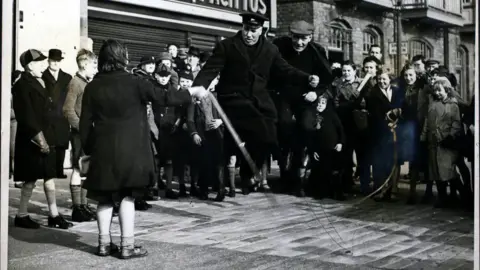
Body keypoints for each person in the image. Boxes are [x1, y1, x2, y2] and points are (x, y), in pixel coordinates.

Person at [79, 39, 208, 258]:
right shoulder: (136, 82)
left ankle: (103, 244)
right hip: (132, 152)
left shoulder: (92, 87)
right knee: (128, 196)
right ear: (123, 58)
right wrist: (191, 92)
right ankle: (127, 246)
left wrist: (90, 148)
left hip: (103, 151)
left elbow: (84, 124)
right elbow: (165, 97)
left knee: (104, 198)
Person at [193, 12, 319, 195]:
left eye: (253, 30)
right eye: (246, 29)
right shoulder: (227, 46)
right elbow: (209, 70)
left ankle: (248, 172)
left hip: (259, 100)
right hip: (233, 99)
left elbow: (285, 69)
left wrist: (307, 78)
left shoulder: (270, 50)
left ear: (262, 30)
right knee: (236, 138)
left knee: (268, 136)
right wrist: (197, 88)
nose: (248, 34)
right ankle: (238, 175)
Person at [13, 49, 73, 229]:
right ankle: (21, 215)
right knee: (30, 179)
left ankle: (54, 215)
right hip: (32, 139)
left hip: (44, 136)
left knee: (49, 175)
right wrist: (41, 141)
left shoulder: (38, 81)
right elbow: (28, 117)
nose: (43, 66)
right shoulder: (22, 85)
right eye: (39, 63)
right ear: (30, 66)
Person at [272, 20, 332, 196]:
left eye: (303, 39)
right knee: (283, 124)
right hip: (284, 96)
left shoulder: (317, 52)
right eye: (296, 38)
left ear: (310, 37)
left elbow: (327, 79)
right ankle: (286, 168)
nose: (299, 43)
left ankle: (302, 167)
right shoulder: (280, 46)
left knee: (306, 127)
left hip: (307, 98)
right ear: (290, 35)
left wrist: (316, 92)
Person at [63, 49, 98, 221]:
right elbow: (68, 110)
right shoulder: (75, 83)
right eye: (93, 65)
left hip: (87, 133)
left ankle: (83, 205)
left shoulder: (86, 83)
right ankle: (77, 208)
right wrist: (81, 128)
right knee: (77, 169)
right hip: (79, 134)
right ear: (84, 64)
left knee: (85, 169)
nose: (95, 68)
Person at [420, 77, 464, 209]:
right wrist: (423, 136)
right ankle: (442, 197)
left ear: (447, 90)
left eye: (440, 91)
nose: (437, 93)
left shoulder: (453, 105)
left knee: (448, 171)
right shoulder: (432, 104)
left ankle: (463, 195)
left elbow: (456, 123)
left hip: (446, 143)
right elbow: (427, 122)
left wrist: (451, 136)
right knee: (436, 172)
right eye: (435, 91)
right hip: (433, 142)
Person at [307, 95, 345, 200]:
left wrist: (340, 143)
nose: (320, 105)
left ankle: (336, 193)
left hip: (332, 148)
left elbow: (340, 129)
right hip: (319, 149)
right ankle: (321, 192)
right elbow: (311, 136)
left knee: (334, 171)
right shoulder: (313, 116)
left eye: (323, 103)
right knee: (321, 171)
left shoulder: (332, 115)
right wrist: (313, 150)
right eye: (318, 103)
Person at [41, 49, 73, 180]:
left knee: (62, 144)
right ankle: (49, 171)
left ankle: (59, 170)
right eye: (53, 60)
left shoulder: (67, 77)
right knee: (50, 143)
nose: (55, 63)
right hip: (48, 116)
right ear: (48, 61)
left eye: (57, 61)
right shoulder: (42, 76)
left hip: (62, 115)